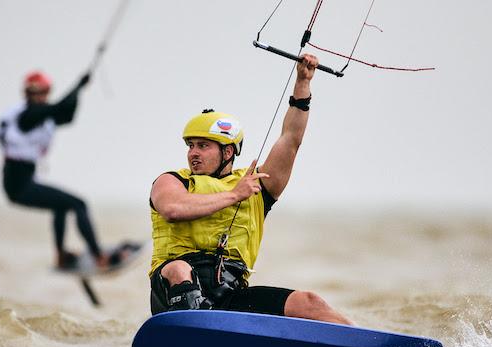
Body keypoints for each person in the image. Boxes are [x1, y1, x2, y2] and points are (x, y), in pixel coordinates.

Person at [148, 54, 352, 325]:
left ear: (228, 151)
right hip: (172, 292)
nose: (193, 153)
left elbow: (290, 139)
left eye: (203, 146)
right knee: (178, 268)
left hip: (229, 295)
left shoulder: (257, 187)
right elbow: (173, 210)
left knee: (310, 302)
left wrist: (303, 82)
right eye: (190, 145)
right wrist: (234, 195)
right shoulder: (172, 180)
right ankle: (194, 331)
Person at [0, 70, 114, 270]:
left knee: (61, 206)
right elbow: (59, 107)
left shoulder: (40, 113)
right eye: (36, 93)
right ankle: (98, 256)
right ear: (27, 93)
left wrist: (80, 90)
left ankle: (61, 256)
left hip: (23, 180)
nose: (41, 97)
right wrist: (78, 84)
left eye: (44, 92)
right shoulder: (26, 115)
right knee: (79, 204)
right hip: (18, 184)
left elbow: (67, 115)